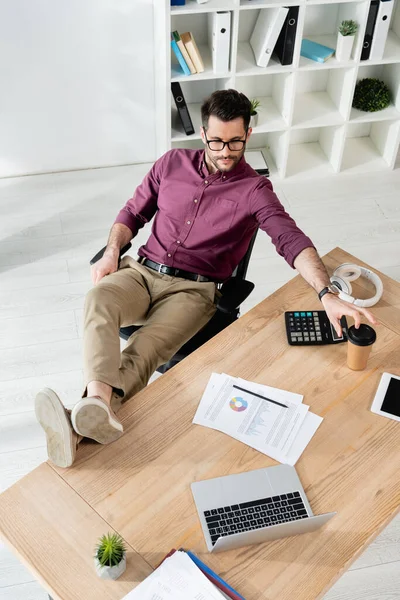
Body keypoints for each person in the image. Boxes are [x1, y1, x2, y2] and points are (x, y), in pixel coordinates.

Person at [35, 89, 377, 468]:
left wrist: (327, 293)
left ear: (248, 133)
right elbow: (132, 213)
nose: (225, 151)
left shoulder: (255, 191)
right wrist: (114, 250)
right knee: (98, 299)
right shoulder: (170, 164)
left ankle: (83, 417)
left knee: (145, 350)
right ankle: (95, 409)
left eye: (234, 141)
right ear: (202, 134)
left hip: (193, 292)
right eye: (216, 141)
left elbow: (290, 239)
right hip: (142, 271)